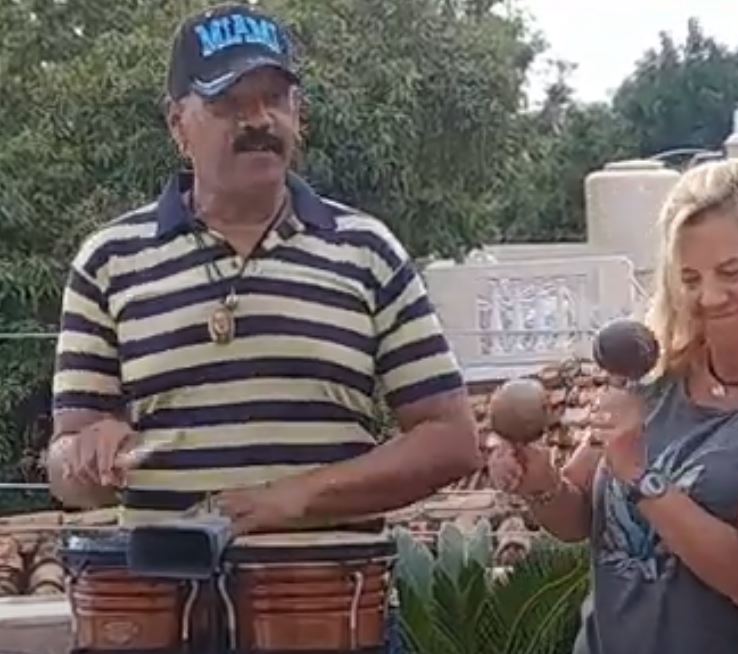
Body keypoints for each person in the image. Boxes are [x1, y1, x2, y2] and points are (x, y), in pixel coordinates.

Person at [45, 3, 481, 535]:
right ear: (177, 124)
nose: (258, 120)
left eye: (274, 98)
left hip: (331, 585)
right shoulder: (108, 260)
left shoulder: (367, 250)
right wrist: (86, 459)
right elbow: (66, 468)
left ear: (297, 112)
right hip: (165, 586)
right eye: (228, 102)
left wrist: (296, 498)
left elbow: (451, 440)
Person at [486, 158, 738, 654]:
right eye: (690, 279)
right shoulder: (650, 379)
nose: (709, 296)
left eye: (731, 271)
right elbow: (578, 518)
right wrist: (537, 480)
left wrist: (642, 475)